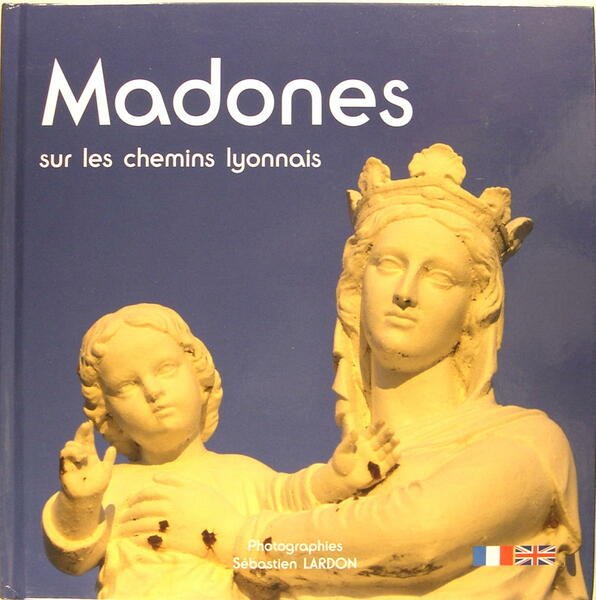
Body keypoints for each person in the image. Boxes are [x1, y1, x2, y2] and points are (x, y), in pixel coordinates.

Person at [174, 144, 588, 599]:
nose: (405, 291)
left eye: (439, 276)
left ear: (475, 307)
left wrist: (242, 542)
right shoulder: (315, 492)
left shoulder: (527, 442)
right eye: (389, 264)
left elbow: (423, 535)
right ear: (355, 287)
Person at [42, 303, 399, 600]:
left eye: (165, 369)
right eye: (126, 386)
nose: (152, 391)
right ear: (109, 415)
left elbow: (291, 498)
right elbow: (72, 558)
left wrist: (337, 476)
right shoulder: (115, 486)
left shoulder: (239, 472)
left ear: (200, 379)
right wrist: (80, 503)